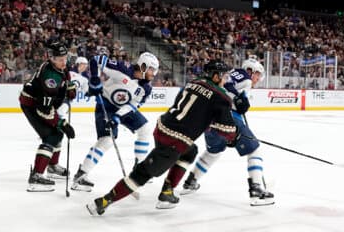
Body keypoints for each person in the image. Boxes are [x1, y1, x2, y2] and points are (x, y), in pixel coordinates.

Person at [86, 60, 238, 216]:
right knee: (142, 174)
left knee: (191, 151)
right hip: (175, 140)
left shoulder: (192, 83)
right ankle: (103, 201)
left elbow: (190, 107)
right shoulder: (222, 97)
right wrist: (235, 136)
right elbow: (227, 130)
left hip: (162, 127)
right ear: (215, 76)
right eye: (224, 76)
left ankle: (167, 190)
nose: (225, 80)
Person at [181, 56, 274, 206]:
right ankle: (256, 190)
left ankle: (191, 181)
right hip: (228, 118)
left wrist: (239, 100)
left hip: (210, 122)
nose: (258, 78)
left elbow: (226, 90)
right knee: (254, 150)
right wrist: (238, 100)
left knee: (213, 152)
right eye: (258, 74)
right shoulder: (245, 78)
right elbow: (229, 93)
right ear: (252, 71)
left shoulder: (229, 74)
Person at [71, 52, 158, 192]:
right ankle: (81, 174)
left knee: (145, 128)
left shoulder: (146, 88)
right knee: (106, 140)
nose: (154, 73)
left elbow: (133, 105)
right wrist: (95, 79)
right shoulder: (123, 69)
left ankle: (139, 167)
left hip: (123, 109)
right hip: (105, 105)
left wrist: (117, 117)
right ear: (143, 66)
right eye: (152, 69)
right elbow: (96, 59)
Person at [19, 42, 77, 192]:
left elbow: (66, 72)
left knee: (58, 135)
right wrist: (62, 124)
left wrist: (69, 86)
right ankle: (36, 176)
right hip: (32, 106)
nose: (64, 61)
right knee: (52, 136)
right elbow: (43, 109)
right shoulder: (50, 78)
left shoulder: (59, 66)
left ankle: (52, 167)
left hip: (41, 104)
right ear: (51, 58)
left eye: (65, 57)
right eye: (60, 59)